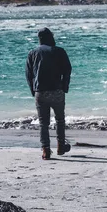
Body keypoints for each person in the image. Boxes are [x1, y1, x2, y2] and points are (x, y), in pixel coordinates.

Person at [25, 27, 72, 160]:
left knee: (43, 123)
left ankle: (46, 150)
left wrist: (33, 90)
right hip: (57, 90)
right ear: (51, 37)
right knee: (60, 120)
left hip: (40, 92)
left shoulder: (32, 53)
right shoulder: (59, 51)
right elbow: (67, 70)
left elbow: (29, 74)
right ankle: (61, 146)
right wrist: (65, 87)